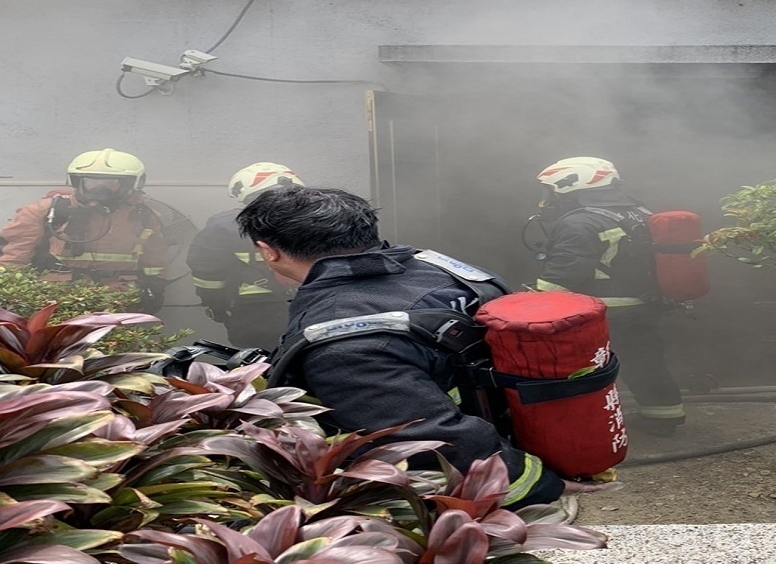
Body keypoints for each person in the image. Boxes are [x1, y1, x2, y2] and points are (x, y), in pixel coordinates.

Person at [238, 185, 591, 510]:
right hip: (522, 435)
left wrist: (544, 487)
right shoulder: (447, 270)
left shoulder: (342, 342)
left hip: (477, 497)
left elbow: (434, 440)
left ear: (268, 252)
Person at [532, 156, 685, 436]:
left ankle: (586, 429)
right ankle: (664, 416)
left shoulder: (580, 222)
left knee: (582, 369)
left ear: (569, 185)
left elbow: (562, 275)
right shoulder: (639, 211)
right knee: (645, 362)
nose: (547, 199)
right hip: (645, 304)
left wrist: (531, 304)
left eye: (550, 191)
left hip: (604, 311)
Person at [0, 148, 169, 313]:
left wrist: (155, 288)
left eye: (110, 183)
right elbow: (10, 259)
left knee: (116, 349)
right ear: (77, 182)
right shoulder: (43, 212)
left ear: (131, 184)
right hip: (57, 301)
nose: (99, 189)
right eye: (91, 182)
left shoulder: (144, 216)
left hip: (117, 301)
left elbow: (154, 261)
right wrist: (2, 301)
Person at [187, 162, 305, 350]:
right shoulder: (322, 219)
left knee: (259, 368)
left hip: (254, 314)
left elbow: (207, 273)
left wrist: (216, 306)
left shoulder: (225, 225)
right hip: (316, 307)